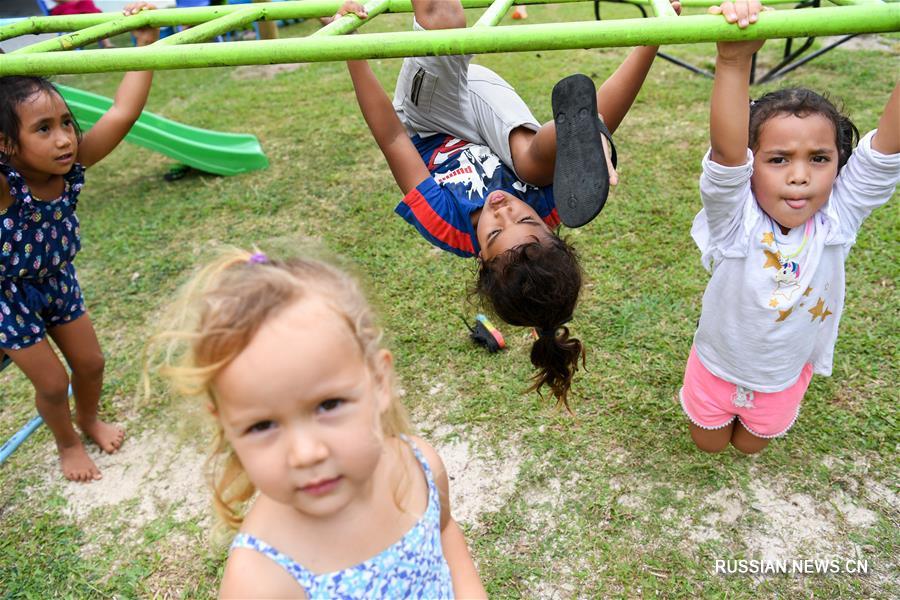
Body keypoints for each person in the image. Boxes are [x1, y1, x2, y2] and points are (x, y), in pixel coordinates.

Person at [342, 0, 680, 408]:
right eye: (526, 216)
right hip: (498, 119)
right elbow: (576, 138)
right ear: (551, 229)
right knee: (535, 169)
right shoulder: (553, 203)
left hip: (434, 116)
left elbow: (393, 137)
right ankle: (591, 131)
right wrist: (653, 38)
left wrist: (349, 45)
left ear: (482, 258)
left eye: (497, 231)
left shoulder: (445, 220)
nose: (503, 207)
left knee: (445, 18)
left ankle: (589, 132)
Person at [149, 246, 486, 599]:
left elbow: (446, 534)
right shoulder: (260, 579)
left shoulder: (420, 466)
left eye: (328, 405)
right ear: (227, 427)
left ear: (380, 381)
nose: (305, 453)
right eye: (262, 426)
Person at [680, 0, 899, 454]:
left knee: (749, 446)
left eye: (818, 159)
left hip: (781, 376)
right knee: (709, 443)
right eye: (779, 160)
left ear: (839, 166)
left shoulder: (838, 216)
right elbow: (726, 158)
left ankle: (758, 414)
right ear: (751, 167)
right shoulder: (735, 220)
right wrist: (733, 60)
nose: (800, 175)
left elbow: (883, 155)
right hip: (716, 366)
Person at [0, 3, 160, 481]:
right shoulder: (5, 185)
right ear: (6, 144)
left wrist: (146, 42)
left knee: (90, 362)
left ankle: (89, 417)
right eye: (43, 130)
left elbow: (123, 112)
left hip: (57, 280)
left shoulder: (73, 164)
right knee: (52, 382)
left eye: (66, 123)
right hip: (7, 297)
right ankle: (66, 442)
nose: (64, 139)